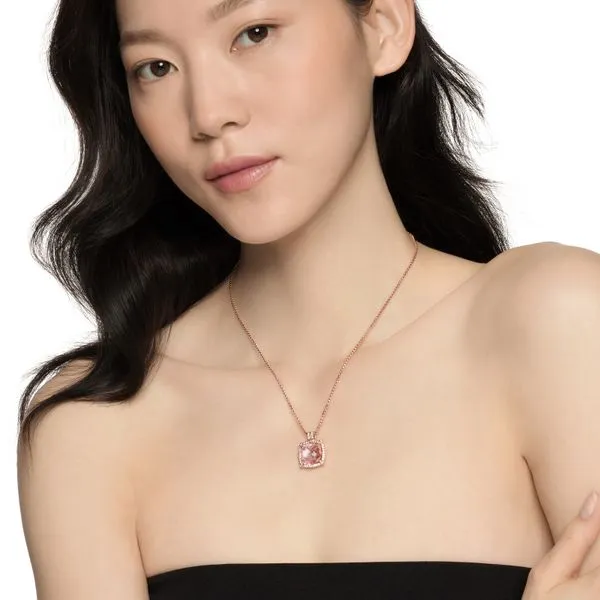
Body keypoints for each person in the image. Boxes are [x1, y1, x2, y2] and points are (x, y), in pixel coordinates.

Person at [16, 0, 600, 598]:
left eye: (254, 33)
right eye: (156, 67)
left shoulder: (559, 322)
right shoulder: (93, 425)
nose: (209, 114)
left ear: (382, 26)